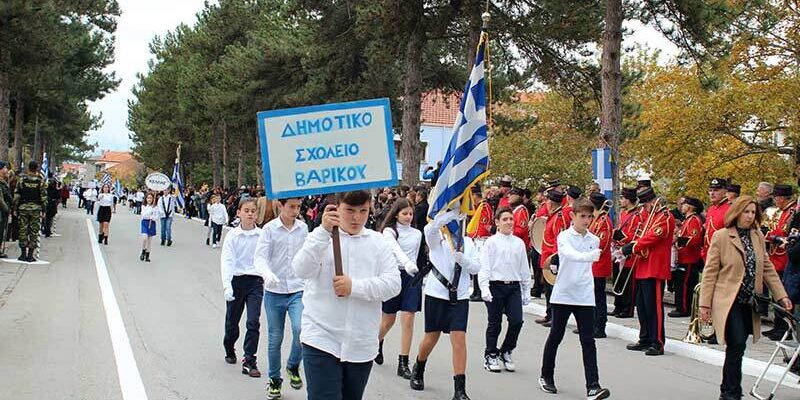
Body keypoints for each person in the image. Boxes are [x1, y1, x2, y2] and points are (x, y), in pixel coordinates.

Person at [291, 190, 401, 400]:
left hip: (361, 343)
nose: (356, 217)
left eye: (363, 211)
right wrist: (323, 232)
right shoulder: (320, 238)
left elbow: (393, 285)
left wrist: (354, 287)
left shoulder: (378, 243)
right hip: (321, 338)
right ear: (336, 208)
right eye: (349, 210)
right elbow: (300, 270)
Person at [700, 196, 792, 400]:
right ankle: (731, 392)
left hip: (750, 301)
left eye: (753, 212)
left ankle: (729, 388)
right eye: (746, 212)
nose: (750, 216)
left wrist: (781, 295)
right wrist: (704, 304)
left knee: (739, 346)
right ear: (737, 213)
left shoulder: (757, 235)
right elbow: (710, 272)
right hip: (728, 300)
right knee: (737, 343)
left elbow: (767, 267)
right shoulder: (722, 236)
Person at [538, 199, 611, 400]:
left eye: (589, 216)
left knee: (588, 341)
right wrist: (589, 256)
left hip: (584, 295)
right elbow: (569, 255)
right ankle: (546, 375)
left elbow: (592, 257)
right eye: (582, 216)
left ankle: (593, 386)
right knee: (556, 335)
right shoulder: (564, 237)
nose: (586, 220)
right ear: (573, 216)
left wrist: (594, 254)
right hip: (564, 293)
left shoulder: (593, 240)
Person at [410, 210, 480, 400]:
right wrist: (446, 216)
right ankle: (419, 365)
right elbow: (428, 231)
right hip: (436, 294)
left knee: (459, 339)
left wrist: (464, 260)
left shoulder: (469, 243)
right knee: (431, 337)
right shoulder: (438, 240)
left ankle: (459, 390)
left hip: (460, 296)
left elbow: (476, 267)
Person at [254, 197, 308, 399]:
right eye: (291, 207)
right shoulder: (269, 229)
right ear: (280, 206)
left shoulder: (303, 228)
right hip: (274, 291)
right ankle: (274, 380)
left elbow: (308, 255)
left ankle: (293, 365)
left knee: (301, 329)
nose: (295, 211)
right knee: (275, 338)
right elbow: (259, 258)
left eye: (298, 207)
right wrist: (267, 274)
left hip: (297, 288)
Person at [621, 186, 675, 356]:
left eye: (645, 204)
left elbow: (653, 236)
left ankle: (657, 342)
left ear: (653, 201)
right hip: (643, 265)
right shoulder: (649, 216)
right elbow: (641, 233)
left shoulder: (665, 217)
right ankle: (644, 338)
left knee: (654, 307)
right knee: (642, 306)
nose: (643, 208)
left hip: (655, 267)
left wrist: (633, 246)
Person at [478, 207, 531, 373]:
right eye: (505, 219)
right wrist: (484, 288)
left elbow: (524, 268)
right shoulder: (491, 242)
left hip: (513, 286)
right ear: (497, 223)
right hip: (495, 285)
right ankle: (491, 354)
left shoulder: (519, 243)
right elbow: (485, 266)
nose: (509, 222)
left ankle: (506, 350)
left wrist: (526, 289)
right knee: (495, 322)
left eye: (511, 219)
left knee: (517, 321)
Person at [374, 198, 422, 379]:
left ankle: (403, 361)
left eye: (411, 213)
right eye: (405, 213)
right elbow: (394, 249)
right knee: (389, 320)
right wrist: (406, 263)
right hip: (394, 274)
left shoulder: (417, 233)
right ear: (396, 214)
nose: (408, 217)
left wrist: (413, 267)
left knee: (408, 319)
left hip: (412, 277)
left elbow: (416, 254)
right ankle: (376, 342)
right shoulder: (389, 231)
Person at [221, 199, 265, 378]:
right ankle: (229, 345)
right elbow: (227, 260)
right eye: (246, 210)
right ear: (238, 212)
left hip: (255, 282)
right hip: (236, 281)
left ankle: (249, 359)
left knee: (253, 321)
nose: (250, 214)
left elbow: (266, 259)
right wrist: (227, 286)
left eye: (253, 211)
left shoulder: (262, 235)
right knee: (233, 321)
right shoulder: (233, 236)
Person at [763, 184, 796, 340]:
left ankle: (784, 328)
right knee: (776, 294)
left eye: (776, 197)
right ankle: (778, 325)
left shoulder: (791, 212)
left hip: (784, 258)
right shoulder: (779, 212)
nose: (775, 201)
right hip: (775, 257)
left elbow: (784, 233)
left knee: (783, 293)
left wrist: (771, 236)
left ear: (782, 198)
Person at [536, 188, 570, 327]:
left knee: (553, 289)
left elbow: (559, 239)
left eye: (548, 200)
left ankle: (554, 317)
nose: (546, 203)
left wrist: (555, 259)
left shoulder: (559, 217)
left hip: (552, 257)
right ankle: (549, 313)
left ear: (551, 202)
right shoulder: (553, 215)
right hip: (546, 256)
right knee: (548, 288)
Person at [671, 196, 704, 318]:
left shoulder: (693, 220)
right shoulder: (686, 220)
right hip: (683, 256)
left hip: (689, 258)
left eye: (684, 205)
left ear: (689, 206)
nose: (681, 207)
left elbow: (694, 239)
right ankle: (681, 306)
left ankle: (684, 308)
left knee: (685, 284)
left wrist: (678, 241)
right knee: (680, 283)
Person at [611, 187, 640, 318]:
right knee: (618, 279)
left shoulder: (636, 215)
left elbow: (634, 235)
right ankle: (618, 306)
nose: (621, 200)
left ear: (628, 200)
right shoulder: (624, 213)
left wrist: (621, 236)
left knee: (627, 283)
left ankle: (627, 309)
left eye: (622, 198)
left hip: (628, 253)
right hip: (619, 251)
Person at [588, 192, 613, 338]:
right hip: (591, 264)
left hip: (598, 263)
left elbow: (602, 243)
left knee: (598, 297)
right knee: (590, 296)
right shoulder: (595, 219)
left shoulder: (603, 220)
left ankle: (600, 326)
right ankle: (591, 324)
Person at [14, 161, 46, 262]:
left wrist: (15, 208)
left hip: (23, 208)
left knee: (23, 230)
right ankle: (30, 255)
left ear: (28, 168)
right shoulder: (40, 181)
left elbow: (17, 195)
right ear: (36, 168)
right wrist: (44, 210)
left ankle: (23, 254)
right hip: (35, 208)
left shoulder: (22, 180)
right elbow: (44, 197)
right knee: (34, 231)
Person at [703, 178, 731, 261]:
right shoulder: (711, 209)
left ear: (725, 192)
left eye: (716, 190)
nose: (712, 193)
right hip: (709, 253)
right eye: (710, 190)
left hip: (723, 254)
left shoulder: (730, 208)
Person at [139, 193, 158, 262]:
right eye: (148, 198)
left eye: (151, 198)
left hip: (152, 223)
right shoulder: (143, 206)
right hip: (145, 223)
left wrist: (153, 217)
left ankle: (147, 255)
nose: (149, 199)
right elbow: (143, 215)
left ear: (153, 199)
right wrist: (150, 213)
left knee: (149, 241)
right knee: (144, 238)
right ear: (146, 199)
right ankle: (143, 251)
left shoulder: (155, 207)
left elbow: (156, 217)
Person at [0, 161, 10, 258]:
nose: (6, 170)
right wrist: (6, 209)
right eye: (5, 168)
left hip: (3, 211)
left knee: (1, 231)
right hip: (2, 210)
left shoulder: (4, 180)